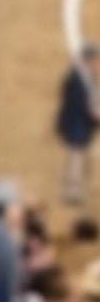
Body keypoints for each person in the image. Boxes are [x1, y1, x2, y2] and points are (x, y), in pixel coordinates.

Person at [56, 41, 98, 214]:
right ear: (88, 60)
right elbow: (79, 103)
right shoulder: (75, 77)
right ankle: (73, 191)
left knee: (79, 157)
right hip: (76, 124)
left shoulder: (86, 76)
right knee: (76, 156)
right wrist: (94, 115)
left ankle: (75, 189)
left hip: (81, 124)